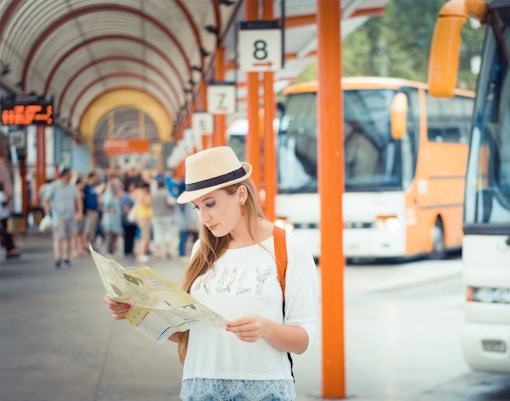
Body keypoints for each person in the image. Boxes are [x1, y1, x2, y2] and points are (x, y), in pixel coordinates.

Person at [105, 146, 318, 401]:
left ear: (240, 194)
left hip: (264, 390)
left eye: (210, 203)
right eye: (197, 207)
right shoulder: (202, 250)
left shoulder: (289, 249)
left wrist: (265, 328)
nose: (204, 217)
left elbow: (302, 339)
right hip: (200, 388)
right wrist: (134, 309)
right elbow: (190, 333)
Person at [43, 168, 83, 268]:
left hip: (70, 215)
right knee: (58, 237)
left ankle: (66, 257)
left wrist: (79, 212)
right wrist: (47, 210)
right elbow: (46, 199)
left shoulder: (72, 187)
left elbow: (78, 199)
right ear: (65, 175)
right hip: (58, 216)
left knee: (69, 237)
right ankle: (58, 257)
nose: (72, 176)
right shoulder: (54, 186)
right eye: (70, 174)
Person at [152, 178, 176, 259]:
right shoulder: (166, 193)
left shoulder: (154, 194)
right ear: (164, 185)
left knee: (157, 233)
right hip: (166, 215)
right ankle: (167, 251)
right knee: (167, 233)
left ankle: (158, 253)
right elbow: (171, 202)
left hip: (156, 216)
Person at [100, 178, 123, 257]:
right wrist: (109, 209)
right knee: (110, 235)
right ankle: (109, 252)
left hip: (114, 219)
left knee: (114, 235)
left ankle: (112, 251)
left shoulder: (113, 195)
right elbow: (106, 205)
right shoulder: (109, 195)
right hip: (110, 219)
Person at [0, 182, 21, 259]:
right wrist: (9, 199)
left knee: (7, 233)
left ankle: (9, 249)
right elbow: (3, 203)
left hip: (3, 216)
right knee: (7, 233)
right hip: (3, 216)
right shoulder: (1, 194)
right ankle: (10, 249)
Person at [134, 182, 153, 263]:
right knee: (145, 236)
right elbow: (148, 203)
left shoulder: (140, 193)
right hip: (143, 217)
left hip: (145, 217)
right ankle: (141, 254)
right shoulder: (142, 194)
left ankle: (143, 253)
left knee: (145, 235)